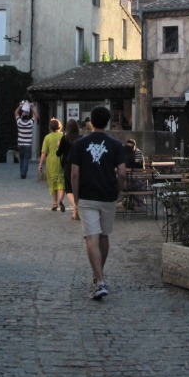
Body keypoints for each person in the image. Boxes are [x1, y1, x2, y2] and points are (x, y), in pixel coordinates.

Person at [69, 105, 126, 301]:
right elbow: (122, 173)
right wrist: (117, 191)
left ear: (91, 121)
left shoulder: (79, 143)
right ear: (107, 122)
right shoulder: (116, 145)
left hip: (87, 195)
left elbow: (74, 174)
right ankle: (98, 276)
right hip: (108, 195)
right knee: (104, 236)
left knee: (91, 238)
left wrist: (76, 199)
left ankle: (99, 280)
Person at [38, 118, 66, 212]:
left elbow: (44, 152)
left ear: (50, 127)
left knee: (52, 183)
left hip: (50, 162)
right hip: (61, 160)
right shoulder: (63, 136)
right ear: (60, 126)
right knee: (61, 182)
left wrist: (40, 164)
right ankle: (60, 200)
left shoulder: (47, 137)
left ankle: (54, 203)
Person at [58, 119, 82, 220]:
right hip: (80, 165)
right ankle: (75, 212)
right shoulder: (81, 138)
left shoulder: (64, 138)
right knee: (78, 187)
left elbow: (58, 153)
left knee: (68, 188)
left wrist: (58, 146)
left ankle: (75, 207)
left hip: (68, 165)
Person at [14, 100, 38, 178]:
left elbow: (16, 113)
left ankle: (22, 172)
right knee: (26, 159)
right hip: (28, 144)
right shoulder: (30, 123)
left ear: (21, 117)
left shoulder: (19, 122)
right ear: (28, 117)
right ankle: (23, 174)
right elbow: (36, 115)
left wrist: (20, 106)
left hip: (20, 144)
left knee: (21, 158)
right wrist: (32, 108)